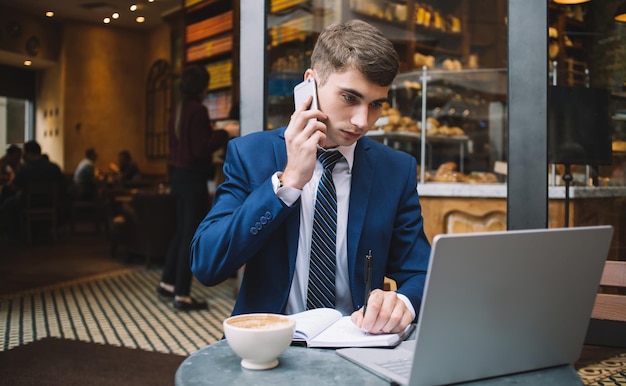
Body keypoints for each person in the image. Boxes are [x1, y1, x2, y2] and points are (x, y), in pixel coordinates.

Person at [190, 20, 431, 334]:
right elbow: (207, 264)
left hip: (358, 346)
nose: (362, 121)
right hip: (268, 345)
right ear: (310, 84)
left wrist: (403, 303)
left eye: (375, 105)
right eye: (350, 98)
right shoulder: (251, 155)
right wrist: (287, 183)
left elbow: (422, 274)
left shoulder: (394, 170)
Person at [157, 64, 238, 311]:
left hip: (178, 177)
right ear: (202, 86)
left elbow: (187, 148)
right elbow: (200, 148)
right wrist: (226, 132)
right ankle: (182, 295)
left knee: (181, 231)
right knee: (190, 236)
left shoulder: (178, 109)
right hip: (193, 181)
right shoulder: (198, 110)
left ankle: (167, 283)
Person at [0, 140, 64, 240]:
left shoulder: (25, 169)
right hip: (51, 203)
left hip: (29, 203)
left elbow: (13, 187)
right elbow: (62, 185)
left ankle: (14, 235)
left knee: (8, 204)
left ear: (28, 153)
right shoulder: (54, 167)